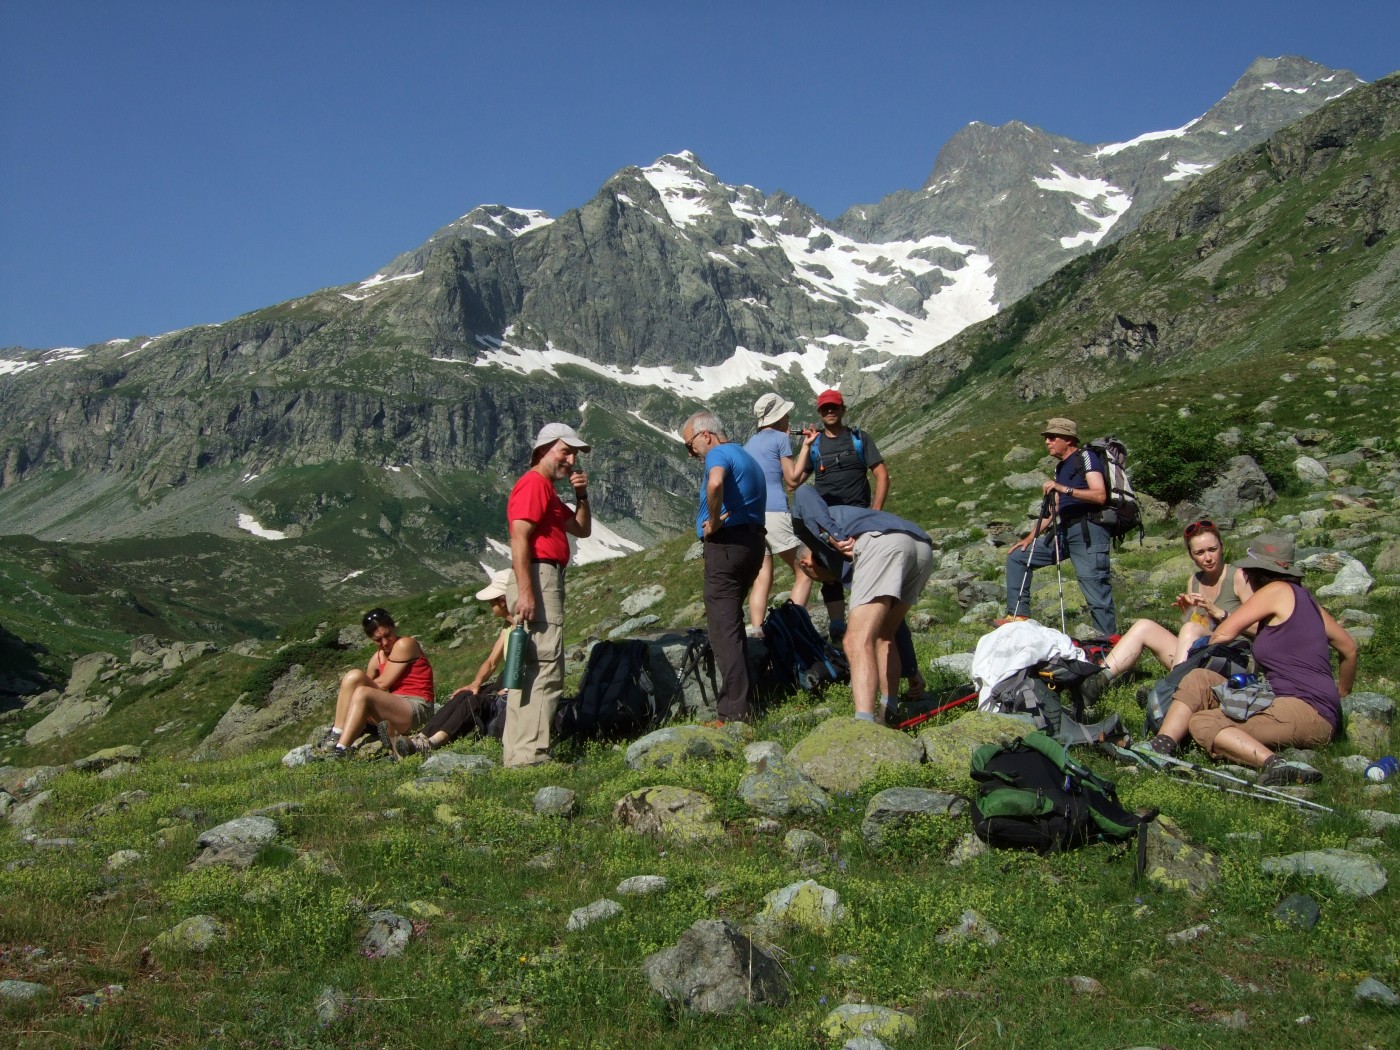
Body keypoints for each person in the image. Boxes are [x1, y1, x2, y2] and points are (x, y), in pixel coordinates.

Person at [1142, 534, 1357, 786]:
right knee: (1200, 678)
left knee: (1201, 722)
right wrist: (1340, 693)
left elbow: (1223, 633)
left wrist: (1200, 644)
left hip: (1307, 711)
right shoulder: (1305, 599)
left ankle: (1277, 764)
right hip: (1303, 704)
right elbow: (1349, 648)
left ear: (1255, 572)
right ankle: (1161, 745)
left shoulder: (1274, 590)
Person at [791, 486, 933, 725]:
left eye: (821, 578)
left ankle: (863, 726)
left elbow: (803, 491)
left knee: (855, 639)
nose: (830, 580)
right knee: (884, 634)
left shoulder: (807, 531)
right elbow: (895, 631)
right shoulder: (846, 550)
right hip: (921, 547)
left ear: (806, 564)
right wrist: (910, 669)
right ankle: (889, 709)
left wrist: (832, 535)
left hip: (881, 543)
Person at [1079, 519, 1253, 700]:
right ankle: (1095, 683)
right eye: (1200, 553)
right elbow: (1200, 629)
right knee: (1144, 626)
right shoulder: (1194, 581)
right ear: (1192, 556)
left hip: (1234, 655)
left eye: (1212, 549)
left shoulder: (1238, 576)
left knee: (1190, 629)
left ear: (1222, 547)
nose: (1208, 558)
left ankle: (1168, 696)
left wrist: (1220, 613)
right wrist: (1189, 613)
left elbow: (1260, 628)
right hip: (1203, 652)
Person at [503, 422, 591, 766]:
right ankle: (532, 754)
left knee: (530, 666)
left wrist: (581, 496)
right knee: (545, 665)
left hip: (540, 576)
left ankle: (518, 752)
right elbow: (519, 537)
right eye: (564, 451)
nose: (570, 459)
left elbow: (581, 529)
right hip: (538, 576)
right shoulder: (534, 484)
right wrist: (527, 591)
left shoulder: (548, 492)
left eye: (573, 454)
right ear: (543, 450)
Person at [682, 410, 766, 724]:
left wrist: (714, 522)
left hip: (727, 547)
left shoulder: (717, 453)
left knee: (723, 630)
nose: (691, 453)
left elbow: (715, 483)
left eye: (690, 445)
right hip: (753, 543)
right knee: (731, 623)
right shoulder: (745, 456)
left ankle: (734, 713)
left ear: (706, 434)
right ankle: (743, 700)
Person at [1003, 417, 1118, 636]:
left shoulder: (1087, 457)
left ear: (1068, 439)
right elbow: (1054, 507)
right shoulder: (1060, 468)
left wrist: (1063, 488)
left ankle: (1108, 647)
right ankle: (1018, 615)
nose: (1047, 442)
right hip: (1064, 530)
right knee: (1019, 556)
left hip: (1088, 530)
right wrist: (1030, 538)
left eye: (1052, 437)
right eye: (1047, 437)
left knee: (1095, 589)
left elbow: (1100, 494)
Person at [388, 568, 512, 758]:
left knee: (474, 702)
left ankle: (431, 743)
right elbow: (491, 662)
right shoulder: (508, 626)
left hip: (514, 682)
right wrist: (475, 684)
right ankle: (418, 739)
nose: (489, 604)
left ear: (502, 601)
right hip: (506, 678)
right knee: (465, 694)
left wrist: (513, 688)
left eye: (491, 601)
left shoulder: (525, 627)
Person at [794, 388, 889, 633]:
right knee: (830, 567)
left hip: (858, 515)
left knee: (862, 568)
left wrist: (875, 513)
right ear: (819, 412)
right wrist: (805, 447)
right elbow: (794, 482)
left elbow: (881, 474)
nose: (829, 411)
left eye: (834, 407)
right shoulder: (815, 445)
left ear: (842, 409)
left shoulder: (859, 438)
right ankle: (838, 626)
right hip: (826, 520)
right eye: (825, 408)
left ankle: (867, 624)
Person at [742, 392, 812, 634]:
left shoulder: (749, 443)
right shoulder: (781, 440)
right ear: (778, 417)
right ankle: (794, 629)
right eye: (786, 414)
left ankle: (756, 632)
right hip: (775, 512)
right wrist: (806, 448)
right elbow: (792, 480)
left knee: (762, 578)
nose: (789, 417)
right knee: (804, 571)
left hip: (752, 516)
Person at [324, 608, 435, 759]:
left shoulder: (405, 644)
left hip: (418, 708)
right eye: (378, 640)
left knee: (361, 689)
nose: (384, 643)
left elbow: (381, 685)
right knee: (353, 677)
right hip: (397, 707)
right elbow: (364, 685)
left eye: (387, 635)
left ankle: (341, 750)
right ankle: (336, 735)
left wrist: (359, 694)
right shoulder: (377, 658)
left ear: (393, 628)